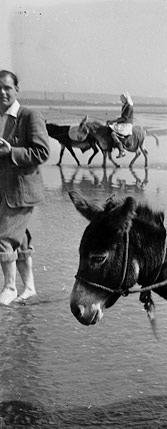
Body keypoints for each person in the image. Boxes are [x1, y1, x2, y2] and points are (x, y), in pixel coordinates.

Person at [0, 69, 50, 305]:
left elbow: (43, 152)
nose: (2, 92)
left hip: (22, 192)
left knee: (3, 238)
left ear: (16, 90)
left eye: (7, 88)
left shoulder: (29, 115)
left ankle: (9, 287)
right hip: (3, 191)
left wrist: (12, 152)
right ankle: (29, 288)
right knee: (20, 239)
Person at [106, 91, 134, 158]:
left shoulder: (129, 107)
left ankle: (121, 150)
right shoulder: (125, 106)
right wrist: (112, 121)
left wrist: (113, 121)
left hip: (127, 125)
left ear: (125, 99)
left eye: (122, 99)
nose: (121, 100)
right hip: (123, 123)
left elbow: (124, 118)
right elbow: (122, 118)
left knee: (113, 134)